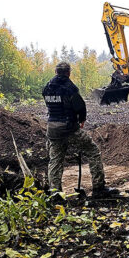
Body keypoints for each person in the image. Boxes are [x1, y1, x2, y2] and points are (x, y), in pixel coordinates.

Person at [42, 61, 117, 198]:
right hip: (68, 128)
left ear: (55, 72)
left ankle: (55, 194)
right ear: (68, 72)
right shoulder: (70, 87)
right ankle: (99, 188)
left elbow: (50, 105)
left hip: (52, 129)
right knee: (93, 151)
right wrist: (81, 120)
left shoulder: (47, 87)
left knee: (55, 160)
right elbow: (80, 107)